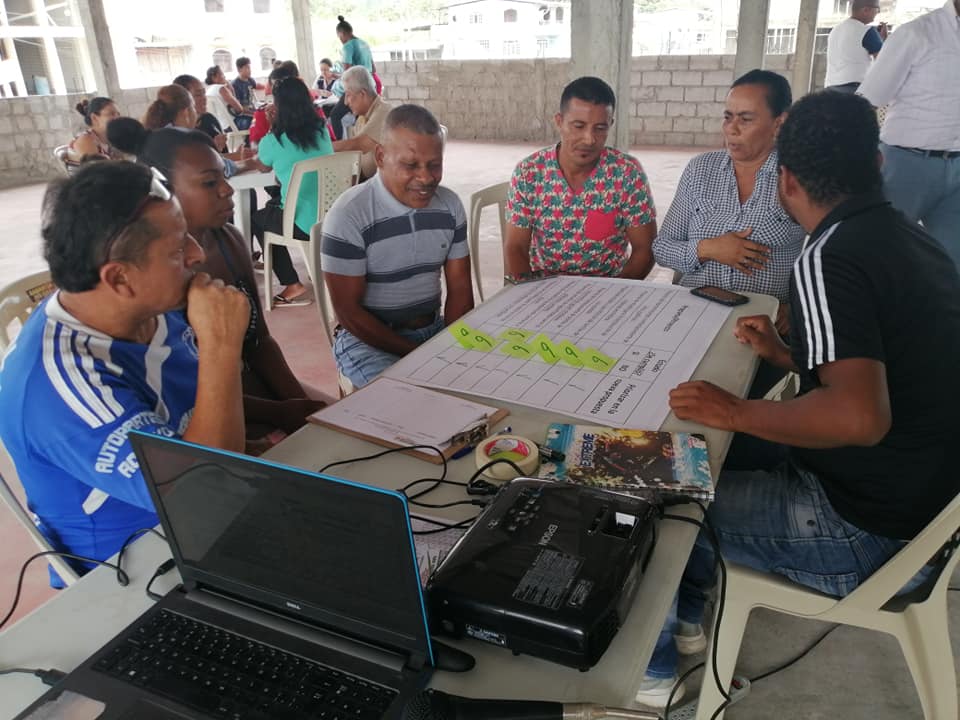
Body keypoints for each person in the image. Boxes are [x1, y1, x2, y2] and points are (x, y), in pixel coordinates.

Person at [637, 91, 960, 710]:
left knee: (662, 496)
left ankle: (651, 681)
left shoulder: (828, 257)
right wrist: (788, 355)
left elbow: (859, 418)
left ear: (786, 181)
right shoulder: (911, 240)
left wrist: (736, 410)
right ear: (879, 163)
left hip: (863, 535)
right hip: (919, 513)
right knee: (712, 453)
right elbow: (882, 369)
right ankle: (688, 618)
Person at [0, 161, 250, 586]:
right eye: (177, 250)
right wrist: (221, 344)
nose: (197, 254)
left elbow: (197, 407)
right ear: (119, 278)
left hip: (205, 520)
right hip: (133, 571)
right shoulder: (60, 389)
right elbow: (206, 495)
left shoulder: (152, 306)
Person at [107, 122, 328, 444]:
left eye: (224, 177)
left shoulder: (228, 240)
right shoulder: (153, 275)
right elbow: (180, 391)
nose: (227, 189)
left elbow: (260, 341)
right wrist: (280, 414)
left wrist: (300, 406)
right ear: (165, 190)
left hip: (256, 393)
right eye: (210, 182)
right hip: (201, 415)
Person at [320, 105, 474, 388]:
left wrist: (452, 347)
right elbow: (348, 313)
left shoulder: (450, 207)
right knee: (410, 402)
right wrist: (417, 355)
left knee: (488, 385)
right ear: (380, 157)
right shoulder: (349, 214)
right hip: (366, 343)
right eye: (411, 165)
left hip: (433, 331)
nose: (426, 178)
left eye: (434, 165)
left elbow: (461, 292)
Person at [652, 69, 803, 339]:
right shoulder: (701, 170)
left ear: (779, 123)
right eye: (727, 117)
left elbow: (826, 259)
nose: (731, 129)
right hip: (692, 314)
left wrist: (796, 309)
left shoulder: (796, 176)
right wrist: (707, 249)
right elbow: (662, 248)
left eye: (745, 119)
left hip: (765, 325)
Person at [504, 76, 657, 280]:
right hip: (545, 286)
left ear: (610, 125)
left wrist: (615, 292)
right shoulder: (529, 173)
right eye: (578, 126)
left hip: (611, 285)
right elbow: (516, 247)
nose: (589, 139)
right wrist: (529, 291)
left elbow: (645, 248)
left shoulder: (627, 173)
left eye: (600, 128)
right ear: (559, 122)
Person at [858, 0, 960, 266]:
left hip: (957, 168)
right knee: (880, 252)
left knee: (951, 263)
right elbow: (868, 100)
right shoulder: (916, 34)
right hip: (905, 165)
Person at [251, 75, 334, 306]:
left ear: (279, 107)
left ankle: (291, 283)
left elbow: (263, 166)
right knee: (273, 208)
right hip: (331, 215)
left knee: (259, 220)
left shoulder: (274, 141)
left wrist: (272, 127)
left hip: (301, 224)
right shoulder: (322, 130)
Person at [331, 66, 392, 181]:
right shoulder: (361, 118)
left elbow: (359, 144)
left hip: (386, 183)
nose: (345, 102)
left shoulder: (384, 111)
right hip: (369, 180)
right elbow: (355, 157)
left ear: (362, 94)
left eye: (348, 95)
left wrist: (325, 148)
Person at [825, 0, 888, 93]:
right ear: (866, 10)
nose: (878, 12)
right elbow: (883, 60)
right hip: (854, 88)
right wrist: (885, 40)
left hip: (830, 87)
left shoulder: (836, 29)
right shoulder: (867, 31)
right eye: (877, 9)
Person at [328, 15, 375, 140]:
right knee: (361, 116)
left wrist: (335, 75)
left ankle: (341, 146)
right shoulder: (364, 44)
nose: (340, 40)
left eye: (339, 37)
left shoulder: (348, 46)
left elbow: (347, 74)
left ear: (342, 34)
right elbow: (373, 69)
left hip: (356, 87)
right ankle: (360, 140)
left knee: (335, 115)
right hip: (370, 85)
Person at [173, 74, 227, 151]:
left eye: (204, 93)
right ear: (182, 100)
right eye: (198, 95)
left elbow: (223, 154)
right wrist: (214, 150)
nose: (204, 98)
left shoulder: (209, 119)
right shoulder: (175, 133)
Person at [67, 97, 121, 164]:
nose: (118, 118)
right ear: (94, 118)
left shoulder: (109, 140)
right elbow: (99, 169)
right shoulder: (85, 140)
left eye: (118, 114)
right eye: (111, 114)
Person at [205, 65, 251, 131]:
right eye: (222, 74)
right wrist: (232, 90)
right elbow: (239, 109)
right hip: (233, 125)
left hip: (221, 128)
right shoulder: (221, 88)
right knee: (258, 120)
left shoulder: (208, 91)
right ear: (214, 78)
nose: (224, 76)